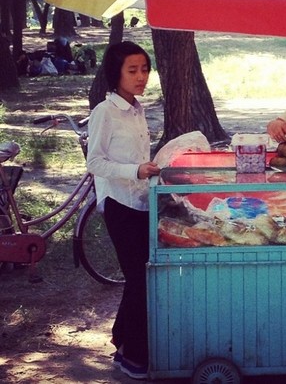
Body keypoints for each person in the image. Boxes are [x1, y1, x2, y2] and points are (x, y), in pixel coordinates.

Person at [87, 41, 160, 380]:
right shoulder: (105, 112)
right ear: (115, 73)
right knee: (139, 279)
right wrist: (135, 171)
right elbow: (95, 162)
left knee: (141, 277)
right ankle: (133, 355)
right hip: (119, 204)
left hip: (142, 201)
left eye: (144, 69)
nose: (141, 76)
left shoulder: (137, 108)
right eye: (133, 70)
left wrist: (151, 172)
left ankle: (121, 341)